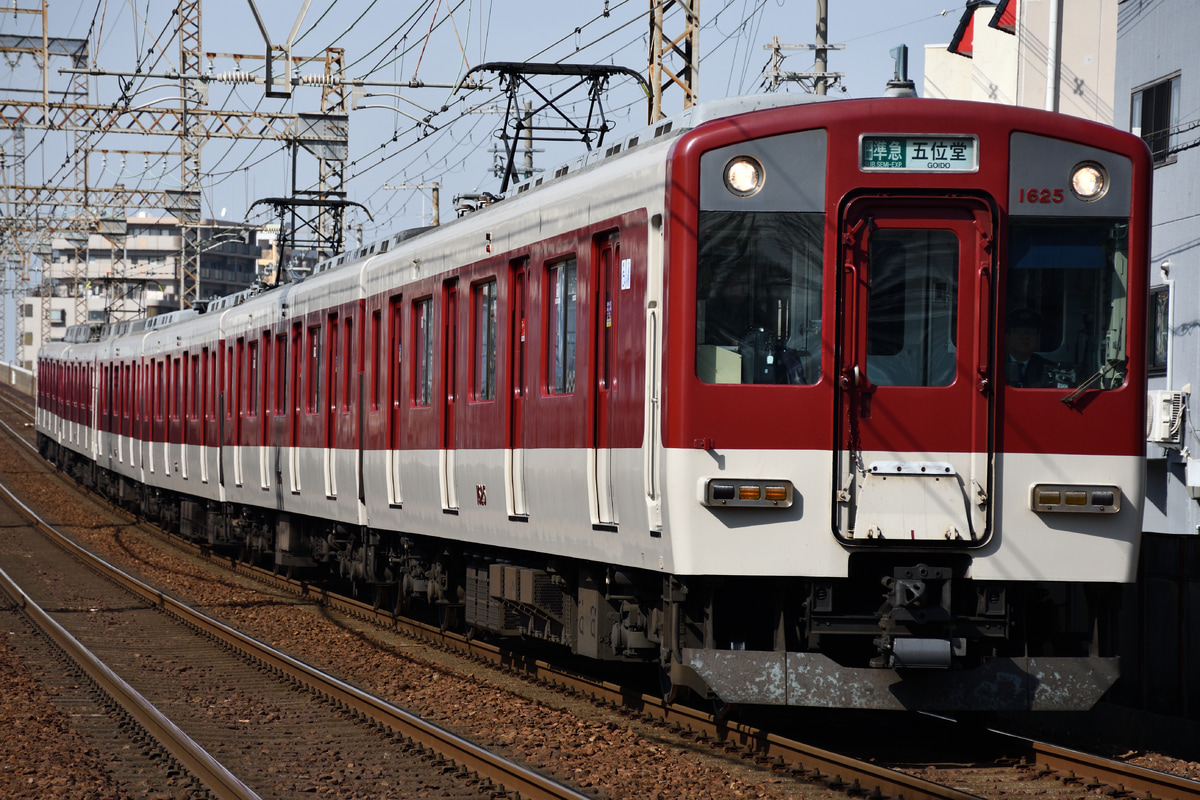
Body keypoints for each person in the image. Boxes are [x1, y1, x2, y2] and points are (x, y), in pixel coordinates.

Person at [1005, 308, 1051, 387]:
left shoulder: (1047, 368)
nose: (1025, 336)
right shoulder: (995, 364)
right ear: (1007, 336)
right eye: (1018, 331)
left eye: (1031, 332)